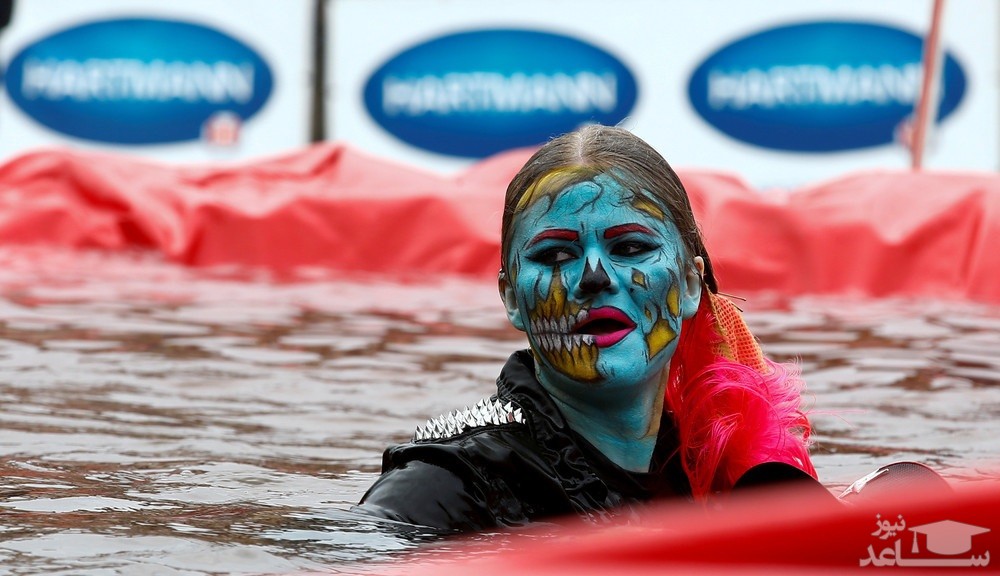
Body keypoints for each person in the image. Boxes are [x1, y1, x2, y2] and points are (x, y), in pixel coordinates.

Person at [354, 124, 819, 532]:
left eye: (633, 248)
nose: (595, 278)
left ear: (691, 284)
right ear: (512, 298)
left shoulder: (726, 478)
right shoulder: (446, 488)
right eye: (555, 255)